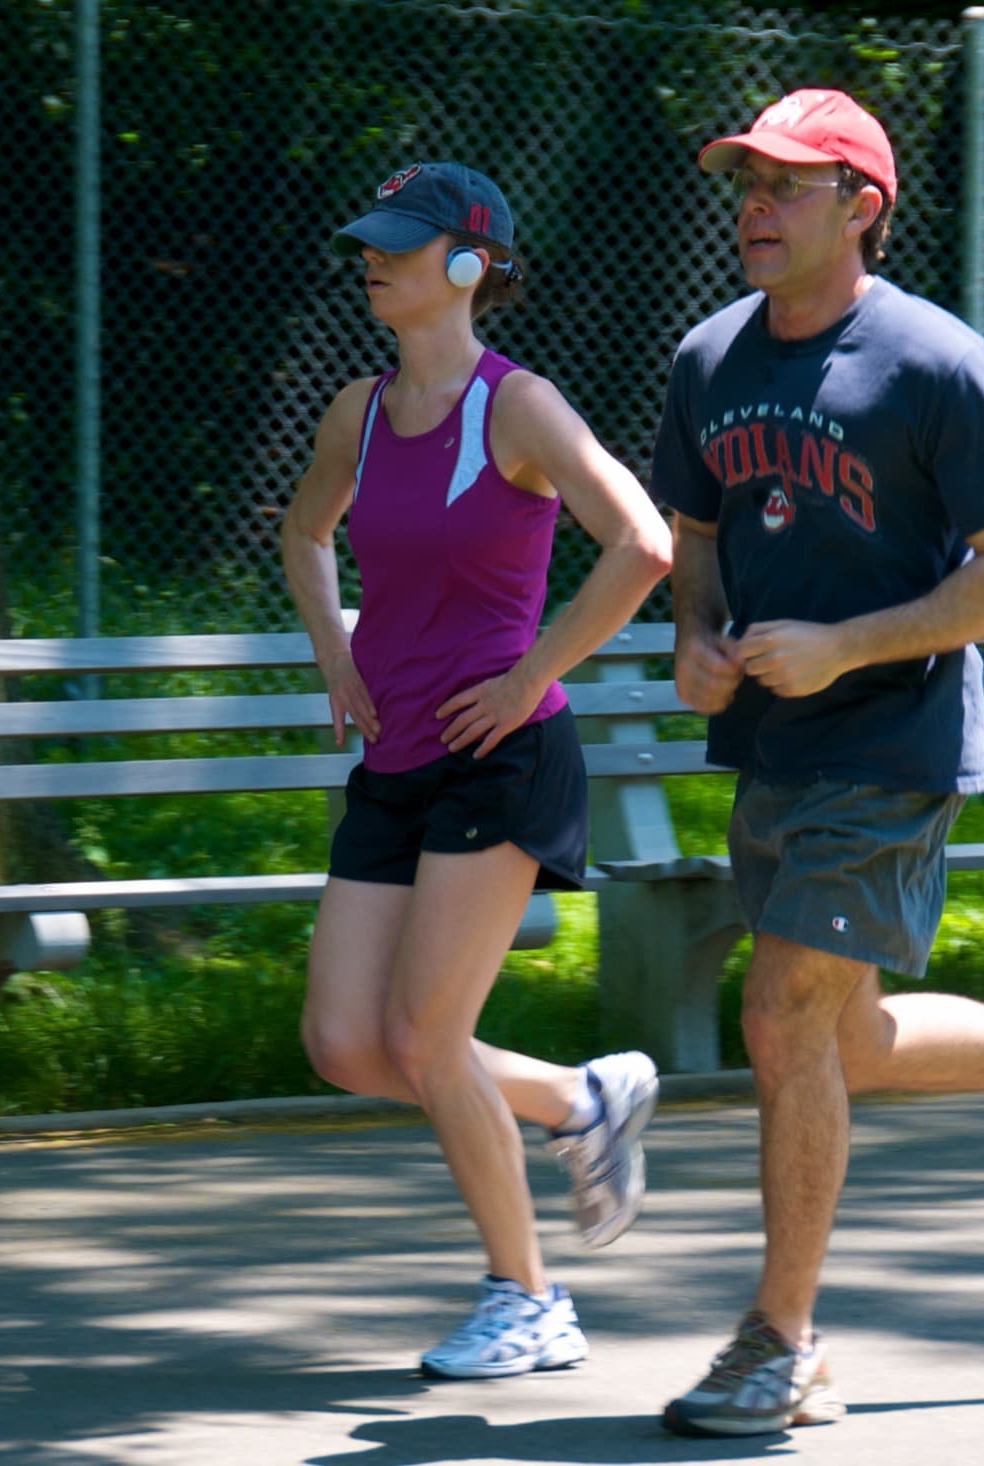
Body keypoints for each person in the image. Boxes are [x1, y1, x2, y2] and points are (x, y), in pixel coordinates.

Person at [646, 90, 984, 1436]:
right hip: (774, 743)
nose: (754, 206)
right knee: (843, 1038)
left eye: (787, 184)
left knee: (781, 1017)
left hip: (891, 745)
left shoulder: (935, 364)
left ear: (862, 206)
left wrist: (847, 644)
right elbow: (696, 535)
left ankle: (783, 1341)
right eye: (745, 181)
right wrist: (700, 634)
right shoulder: (709, 357)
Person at [280, 160, 674, 1380]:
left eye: (400, 243)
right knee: (347, 1042)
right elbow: (303, 532)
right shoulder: (358, 407)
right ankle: (576, 1100)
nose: (371, 259)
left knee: (425, 1033)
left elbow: (643, 541)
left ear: (466, 264)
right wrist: (337, 653)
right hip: (396, 752)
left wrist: (529, 674)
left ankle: (531, 1299)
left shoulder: (518, 407)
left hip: (503, 758)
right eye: (369, 240)